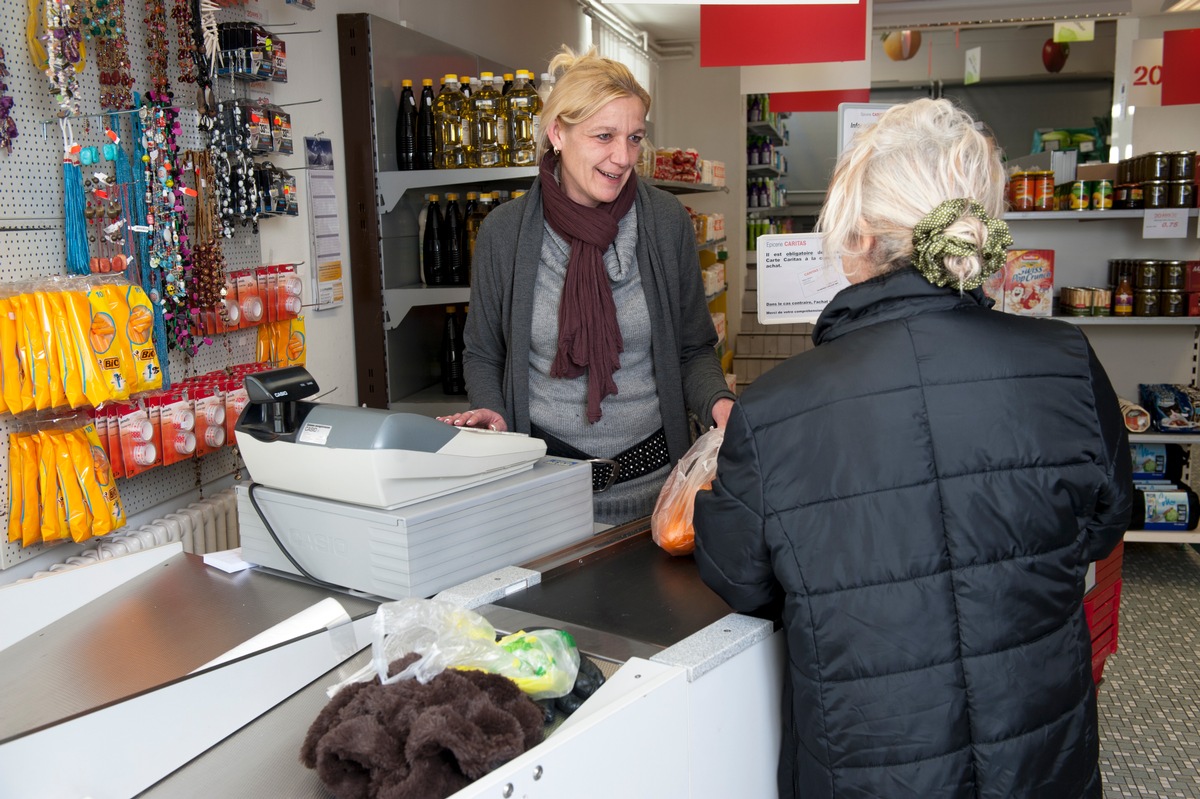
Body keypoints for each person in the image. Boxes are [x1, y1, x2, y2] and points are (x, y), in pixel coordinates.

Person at [693, 98, 1131, 799]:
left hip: (870, 765)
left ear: (859, 230)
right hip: (1040, 758)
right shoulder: (1066, 362)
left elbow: (742, 578)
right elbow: (1106, 522)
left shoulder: (776, 408)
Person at [437, 46, 735, 525]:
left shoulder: (663, 221)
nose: (623, 157)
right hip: (542, 487)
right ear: (558, 133)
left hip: (658, 491)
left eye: (635, 138)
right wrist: (491, 410)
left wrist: (720, 403)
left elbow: (693, 348)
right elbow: (483, 353)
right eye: (604, 136)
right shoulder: (505, 232)